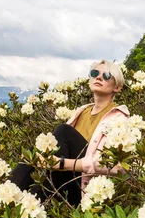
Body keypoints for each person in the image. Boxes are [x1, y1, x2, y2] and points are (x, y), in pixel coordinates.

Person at [10, 59, 129, 206]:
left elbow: (118, 166)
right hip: (68, 180)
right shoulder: (82, 112)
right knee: (32, 153)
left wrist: (61, 164)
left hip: (90, 189)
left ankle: (20, 202)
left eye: (106, 76)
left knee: (64, 131)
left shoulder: (120, 118)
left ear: (117, 87)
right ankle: (10, 201)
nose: (98, 77)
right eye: (95, 73)